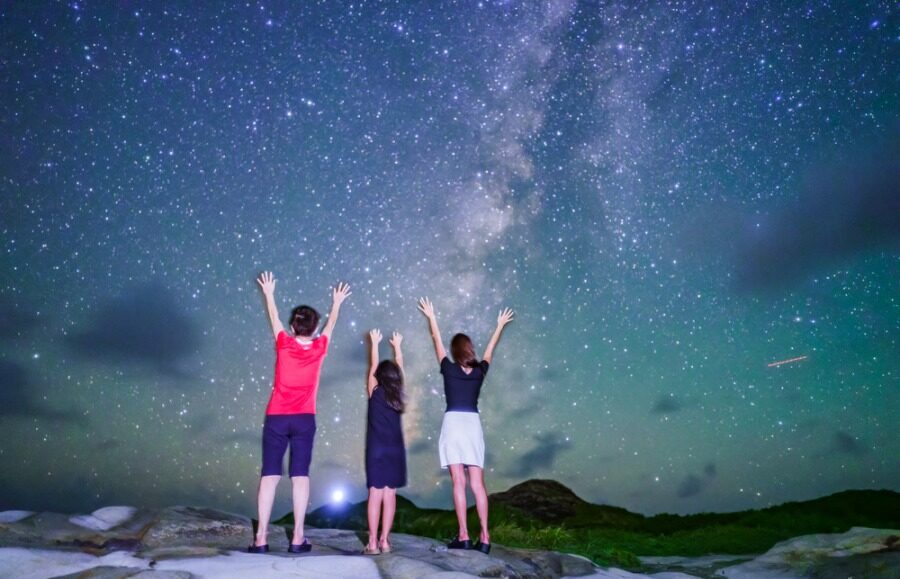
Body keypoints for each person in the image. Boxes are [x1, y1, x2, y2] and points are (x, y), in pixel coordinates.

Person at [250, 271, 351, 554]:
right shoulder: (319, 348)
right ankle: (297, 537)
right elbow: (331, 325)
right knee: (300, 475)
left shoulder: (283, 343)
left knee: (270, 475)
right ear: (314, 328)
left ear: (293, 326)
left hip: (276, 417)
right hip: (304, 418)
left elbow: (273, 317)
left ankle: (260, 538)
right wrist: (337, 303)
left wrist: (269, 294)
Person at [417, 297, 514, 554]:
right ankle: (485, 537)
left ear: (455, 351)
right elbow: (490, 350)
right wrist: (499, 326)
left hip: (453, 424)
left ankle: (464, 535)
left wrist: (431, 317)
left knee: (458, 481)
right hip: (472, 424)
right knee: (478, 484)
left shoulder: (448, 368)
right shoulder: (480, 371)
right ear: (469, 349)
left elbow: (436, 342)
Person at [363, 329, 407, 555]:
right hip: (395, 451)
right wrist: (397, 347)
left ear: (379, 377)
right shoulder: (398, 394)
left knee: (375, 494)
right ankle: (385, 541)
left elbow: (373, 366)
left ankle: (372, 543)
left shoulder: (374, 391)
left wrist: (375, 344)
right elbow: (400, 369)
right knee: (390, 495)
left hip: (376, 450)